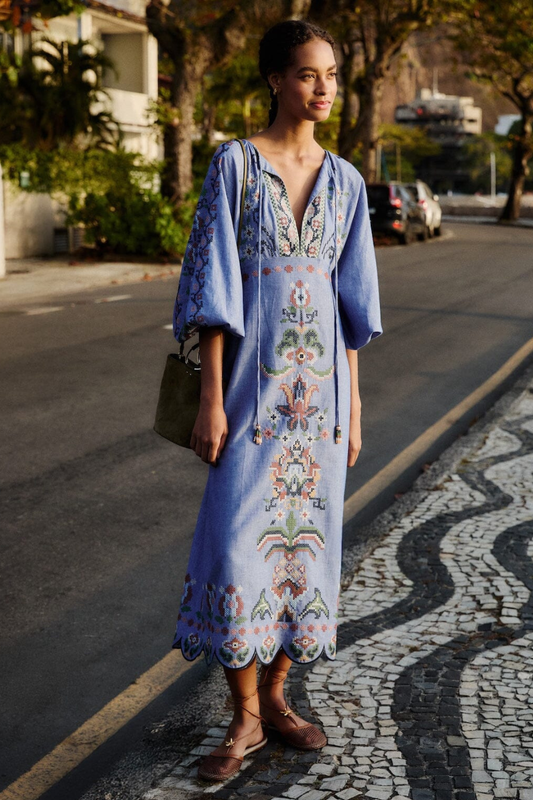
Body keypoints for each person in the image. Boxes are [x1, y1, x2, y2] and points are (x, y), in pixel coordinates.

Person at [171, 19, 383, 782]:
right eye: (305, 73)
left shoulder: (346, 181)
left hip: (320, 403)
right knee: (237, 549)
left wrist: (352, 410)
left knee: (305, 549)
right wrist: (210, 400)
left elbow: (352, 310)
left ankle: (278, 698)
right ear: (273, 79)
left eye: (330, 75)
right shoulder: (234, 165)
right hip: (249, 399)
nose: (322, 88)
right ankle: (245, 718)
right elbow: (211, 289)